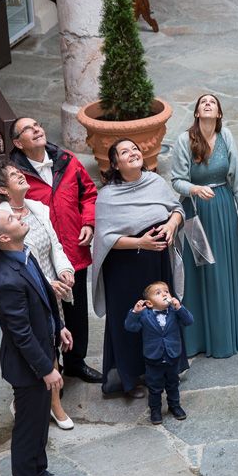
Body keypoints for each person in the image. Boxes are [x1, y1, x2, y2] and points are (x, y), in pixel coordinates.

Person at [0, 209, 77, 476]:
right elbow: (20, 334)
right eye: (9, 221)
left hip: (43, 348)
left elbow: (45, 298)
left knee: (38, 425)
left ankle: (39, 474)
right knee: (27, 428)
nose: (16, 218)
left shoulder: (25, 254)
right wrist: (46, 368)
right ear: (4, 238)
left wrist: (58, 327)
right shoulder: (5, 279)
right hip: (27, 367)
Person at [91, 138, 196, 399]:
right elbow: (104, 239)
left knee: (164, 313)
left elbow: (177, 209)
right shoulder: (107, 196)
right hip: (125, 268)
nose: (133, 152)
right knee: (132, 320)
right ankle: (131, 378)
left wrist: (172, 225)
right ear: (115, 164)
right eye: (124, 151)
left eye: (135, 148)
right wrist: (140, 242)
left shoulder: (156, 182)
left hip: (157, 263)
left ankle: (164, 369)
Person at [9, 117, 102, 384]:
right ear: (18, 142)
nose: (37, 129)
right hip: (39, 258)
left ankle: (76, 362)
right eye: (28, 128)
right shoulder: (14, 175)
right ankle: (53, 369)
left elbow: (88, 194)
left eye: (38, 125)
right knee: (46, 313)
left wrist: (88, 222)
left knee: (76, 309)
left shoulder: (67, 160)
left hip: (74, 249)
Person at [0, 161, 77, 430]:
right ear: (3, 190)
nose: (22, 176)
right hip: (33, 292)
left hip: (53, 291)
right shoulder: (1, 223)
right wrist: (46, 284)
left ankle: (41, 396)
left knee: (52, 338)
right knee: (39, 343)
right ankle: (53, 405)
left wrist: (64, 270)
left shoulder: (38, 208)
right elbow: (14, 267)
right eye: (15, 176)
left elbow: (55, 245)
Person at [170, 93, 238, 358]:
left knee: (226, 266)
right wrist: (194, 189)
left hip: (223, 208)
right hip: (196, 213)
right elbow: (176, 181)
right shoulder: (185, 140)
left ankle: (234, 331)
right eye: (203, 102)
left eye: (213, 103)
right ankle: (202, 338)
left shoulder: (226, 137)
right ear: (197, 112)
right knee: (203, 268)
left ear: (218, 113)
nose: (207, 104)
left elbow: (237, 179)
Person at [124, 281, 193, 425]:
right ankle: (155, 410)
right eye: (158, 293)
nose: (164, 294)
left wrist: (180, 307)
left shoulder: (174, 312)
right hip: (153, 358)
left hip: (172, 356)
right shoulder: (144, 315)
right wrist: (135, 312)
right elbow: (131, 327)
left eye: (166, 291)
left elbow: (189, 321)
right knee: (154, 387)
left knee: (173, 383)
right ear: (149, 303)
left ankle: (175, 406)